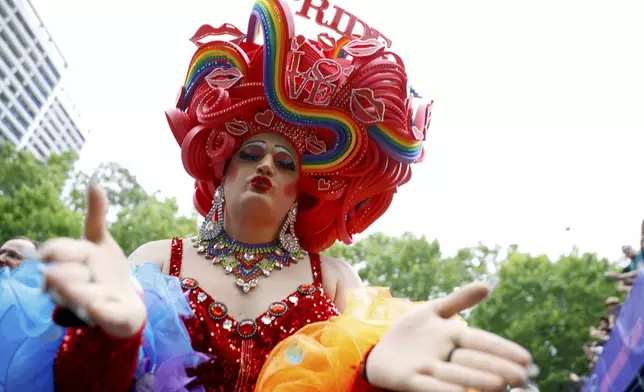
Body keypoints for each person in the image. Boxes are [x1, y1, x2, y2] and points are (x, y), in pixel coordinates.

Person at [0, 0, 535, 391]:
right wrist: (104, 344)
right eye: (251, 153)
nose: (265, 167)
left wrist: (371, 379)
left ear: (301, 191)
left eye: (286, 163)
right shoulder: (162, 259)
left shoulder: (333, 277)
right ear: (221, 167)